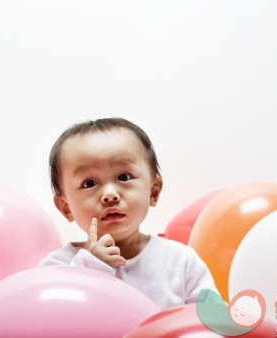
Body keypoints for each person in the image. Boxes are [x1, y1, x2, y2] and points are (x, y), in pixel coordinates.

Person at [39, 117, 217, 310]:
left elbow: (213, 321)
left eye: (124, 177)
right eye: (89, 183)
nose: (109, 195)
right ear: (65, 207)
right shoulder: (58, 267)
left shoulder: (180, 262)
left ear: (153, 191)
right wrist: (89, 266)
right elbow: (48, 319)